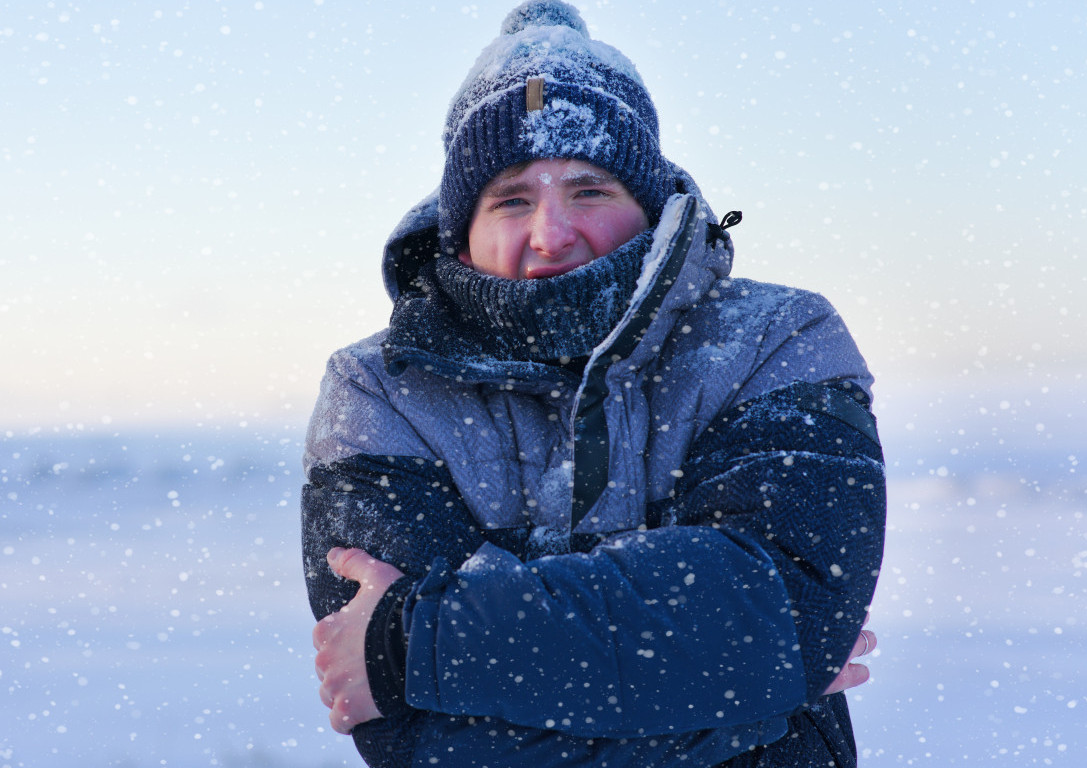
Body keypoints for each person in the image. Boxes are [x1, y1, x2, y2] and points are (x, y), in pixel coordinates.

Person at [301, 2, 886, 766]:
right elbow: (416, 738)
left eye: (589, 191)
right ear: (459, 226)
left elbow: (784, 616)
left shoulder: (777, 339)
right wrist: (745, 703)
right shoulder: (379, 389)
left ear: (647, 208)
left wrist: (420, 642)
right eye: (511, 198)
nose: (552, 233)